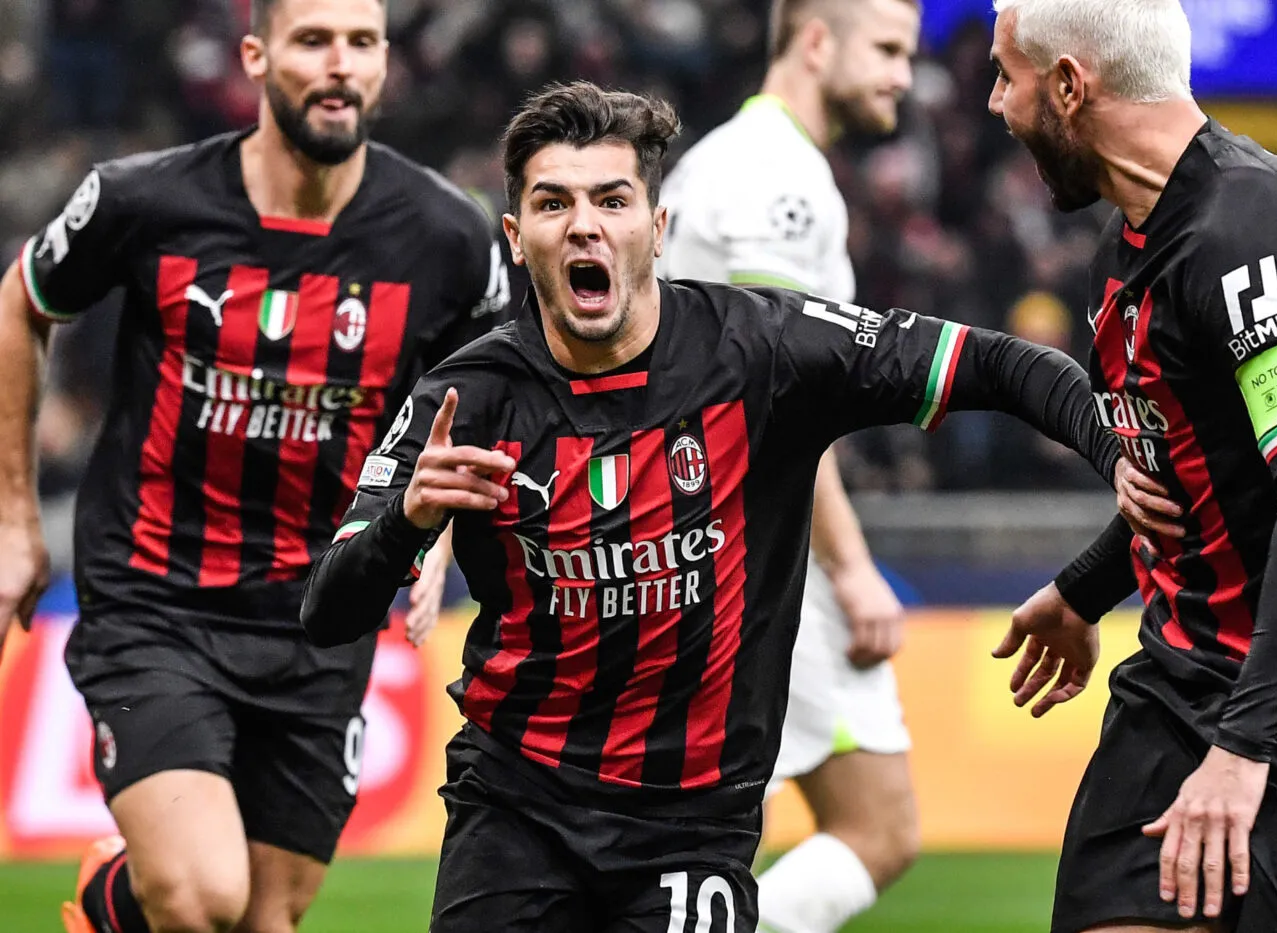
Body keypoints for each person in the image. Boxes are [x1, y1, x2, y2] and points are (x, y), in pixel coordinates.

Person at [300, 80, 1119, 933]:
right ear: (516, 236)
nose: (584, 225)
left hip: (691, 826)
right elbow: (329, 609)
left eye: (612, 200)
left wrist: (1122, 458)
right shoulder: (462, 401)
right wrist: (407, 520)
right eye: (553, 203)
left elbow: (1006, 365)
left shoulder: (764, 349)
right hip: (515, 806)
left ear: (657, 228)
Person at [0, 1, 511, 931]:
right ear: (255, 56)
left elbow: (486, 393)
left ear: (385, 61)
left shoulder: (447, 235)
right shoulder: (143, 200)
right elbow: (22, 300)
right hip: (157, 602)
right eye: (312, 40)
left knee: (264, 920)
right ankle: (116, 896)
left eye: (361, 43)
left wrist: (439, 534)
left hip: (323, 615)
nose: (340, 63)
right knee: (203, 895)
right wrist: (14, 522)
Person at [985, 2, 1277, 932]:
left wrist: (1244, 749)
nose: (995, 104)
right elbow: (1193, 481)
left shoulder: (1248, 229)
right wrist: (1086, 589)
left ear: (1068, 85)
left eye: (1007, 76)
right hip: (1182, 687)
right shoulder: (1125, 247)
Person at [655, 2, 922, 926]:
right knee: (878, 826)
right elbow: (782, 397)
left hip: (698, 534)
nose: (902, 76)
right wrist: (851, 568)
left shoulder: (719, 161)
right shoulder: (776, 178)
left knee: (714, 832)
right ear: (815, 41)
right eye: (886, 50)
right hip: (760, 550)